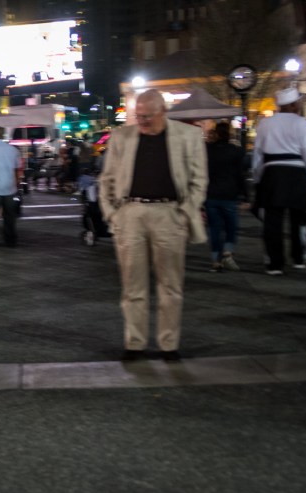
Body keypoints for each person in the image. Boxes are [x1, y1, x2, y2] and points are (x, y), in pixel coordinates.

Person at [99, 89, 207, 362]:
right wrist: (113, 214)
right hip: (131, 213)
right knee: (132, 285)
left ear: (163, 112)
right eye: (138, 116)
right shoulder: (121, 137)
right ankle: (134, 343)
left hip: (170, 212)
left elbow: (199, 180)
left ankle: (168, 344)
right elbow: (107, 178)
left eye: (148, 116)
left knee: (170, 285)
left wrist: (184, 212)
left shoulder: (189, 135)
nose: (143, 122)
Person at [252, 87, 306, 275]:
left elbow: (258, 154)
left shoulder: (265, 124)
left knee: (272, 221)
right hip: (296, 173)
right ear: (292, 104)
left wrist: (258, 177)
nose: (300, 105)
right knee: (297, 217)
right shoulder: (302, 123)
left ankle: (275, 263)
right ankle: (298, 257)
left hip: (272, 173)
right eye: (298, 102)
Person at [206, 122, 248, 272]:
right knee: (232, 227)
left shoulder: (207, 151)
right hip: (229, 194)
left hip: (211, 194)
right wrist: (246, 197)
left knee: (214, 229)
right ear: (229, 134)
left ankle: (215, 261)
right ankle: (227, 251)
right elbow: (240, 175)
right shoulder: (236, 151)